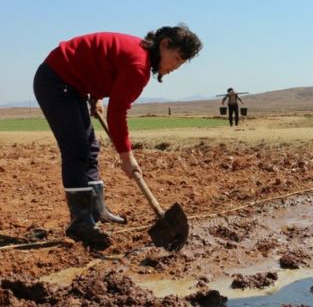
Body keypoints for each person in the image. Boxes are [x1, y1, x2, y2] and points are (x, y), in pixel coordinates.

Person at [33, 25, 202, 249]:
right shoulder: (139, 65)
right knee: (77, 149)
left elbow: (102, 63)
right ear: (164, 44)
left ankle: (96, 210)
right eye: (177, 58)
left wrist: (96, 95)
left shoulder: (139, 56)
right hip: (56, 81)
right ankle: (80, 223)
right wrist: (126, 156)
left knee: (90, 149)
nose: (175, 67)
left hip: (70, 83)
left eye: (181, 64)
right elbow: (117, 112)